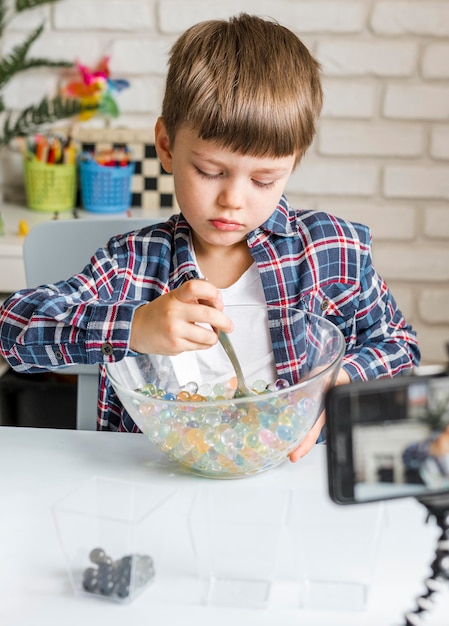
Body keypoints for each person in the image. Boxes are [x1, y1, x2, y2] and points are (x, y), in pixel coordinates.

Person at [0, 13, 420, 460]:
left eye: (264, 180)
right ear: (166, 146)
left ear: (292, 163)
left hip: (287, 487)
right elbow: (12, 328)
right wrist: (135, 327)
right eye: (209, 171)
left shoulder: (334, 250)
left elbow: (400, 346)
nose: (233, 200)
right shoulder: (131, 262)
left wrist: (344, 378)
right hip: (150, 484)